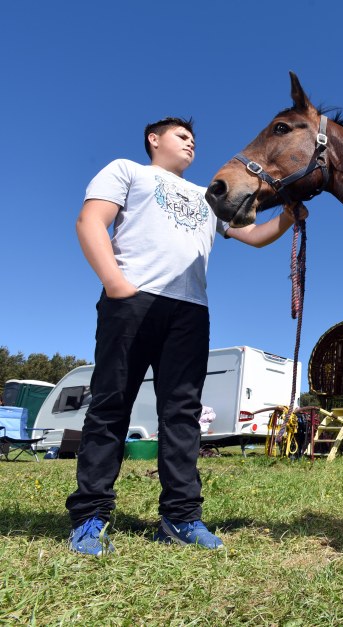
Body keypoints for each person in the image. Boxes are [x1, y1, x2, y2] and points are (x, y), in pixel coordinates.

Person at [68, 117, 305, 556]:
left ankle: (180, 517)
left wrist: (289, 215)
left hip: (190, 311)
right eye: (181, 135)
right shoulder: (128, 171)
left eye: (194, 138)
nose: (191, 141)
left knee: (182, 414)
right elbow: (90, 221)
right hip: (132, 301)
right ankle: (91, 516)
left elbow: (252, 235)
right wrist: (116, 284)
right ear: (153, 140)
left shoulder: (207, 195)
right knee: (110, 405)